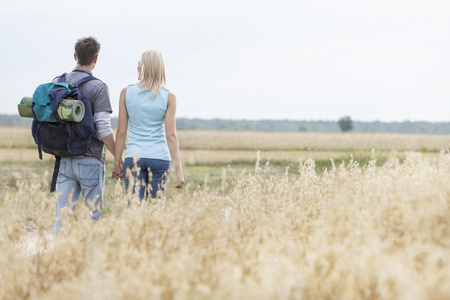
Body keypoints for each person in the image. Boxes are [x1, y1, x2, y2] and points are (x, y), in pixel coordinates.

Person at [55, 36, 118, 233]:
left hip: (63, 159)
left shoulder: (58, 82)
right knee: (91, 216)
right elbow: (103, 127)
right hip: (90, 158)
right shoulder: (98, 87)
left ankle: (60, 259)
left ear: (75, 56)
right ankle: (89, 258)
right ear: (96, 59)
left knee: (63, 216)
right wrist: (118, 156)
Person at [113, 50, 184, 201]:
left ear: (143, 67)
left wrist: (117, 163)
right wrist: (179, 169)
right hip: (160, 159)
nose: (137, 68)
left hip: (134, 158)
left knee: (134, 211)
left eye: (139, 65)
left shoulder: (126, 93)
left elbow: (121, 132)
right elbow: (171, 136)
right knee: (155, 211)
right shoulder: (169, 97)